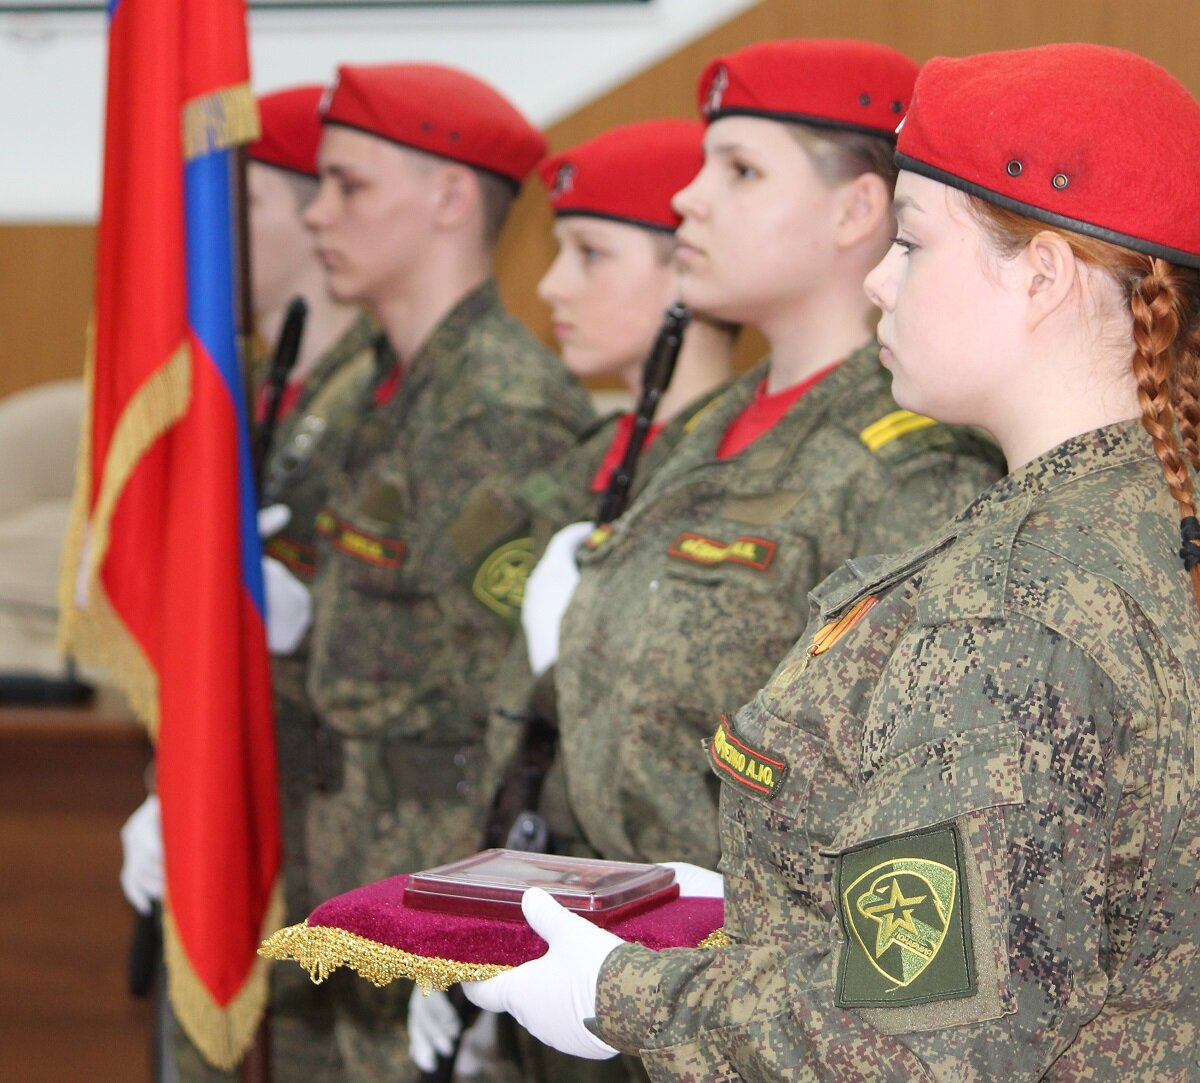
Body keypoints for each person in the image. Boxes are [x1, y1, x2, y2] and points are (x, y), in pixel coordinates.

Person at [464, 42, 1200, 1081]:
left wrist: (612, 991)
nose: (879, 280)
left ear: (1039, 277)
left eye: (912, 244)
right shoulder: (1134, 515)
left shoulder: (1015, 603)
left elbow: (908, 1043)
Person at [550, 38, 1004, 877]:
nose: (688, 198)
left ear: (854, 211)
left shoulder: (921, 461)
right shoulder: (704, 428)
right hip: (624, 929)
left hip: (762, 962)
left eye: (741, 172)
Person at [413, 118, 737, 1083]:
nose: (551, 284)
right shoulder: (574, 477)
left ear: (688, 267)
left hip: (676, 957)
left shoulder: (735, 485)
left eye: (590, 252)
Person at [297, 62, 596, 1082]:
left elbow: (510, 706)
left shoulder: (495, 410)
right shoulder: (382, 385)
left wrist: (479, 935)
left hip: (434, 874)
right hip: (358, 854)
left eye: (350, 185)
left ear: (450, 197)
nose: (316, 213)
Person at [118, 82, 388, 1083]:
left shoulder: (367, 391)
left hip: (326, 830)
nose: (211, 229)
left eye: (243, 203)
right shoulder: (256, 381)